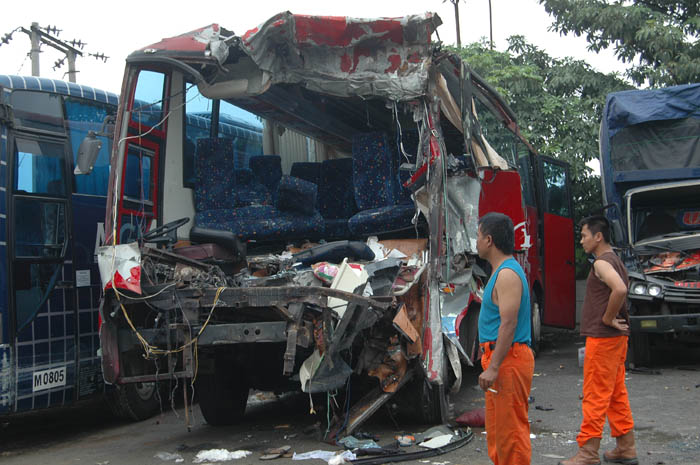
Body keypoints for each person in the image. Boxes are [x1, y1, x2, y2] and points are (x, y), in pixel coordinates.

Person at [560, 215, 637, 465]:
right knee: (615, 394)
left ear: (598, 236)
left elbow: (620, 290)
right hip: (616, 339)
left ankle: (588, 452)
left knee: (595, 394)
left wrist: (607, 318)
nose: (581, 241)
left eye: (584, 236)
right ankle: (626, 447)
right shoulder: (616, 260)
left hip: (603, 338)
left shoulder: (601, 263)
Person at [476, 212, 534, 465]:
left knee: (510, 434)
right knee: (499, 433)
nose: (475, 241)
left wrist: (495, 366)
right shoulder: (501, 271)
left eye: (478, 236)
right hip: (500, 359)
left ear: (489, 240)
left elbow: (508, 324)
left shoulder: (508, 274)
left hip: (508, 360)